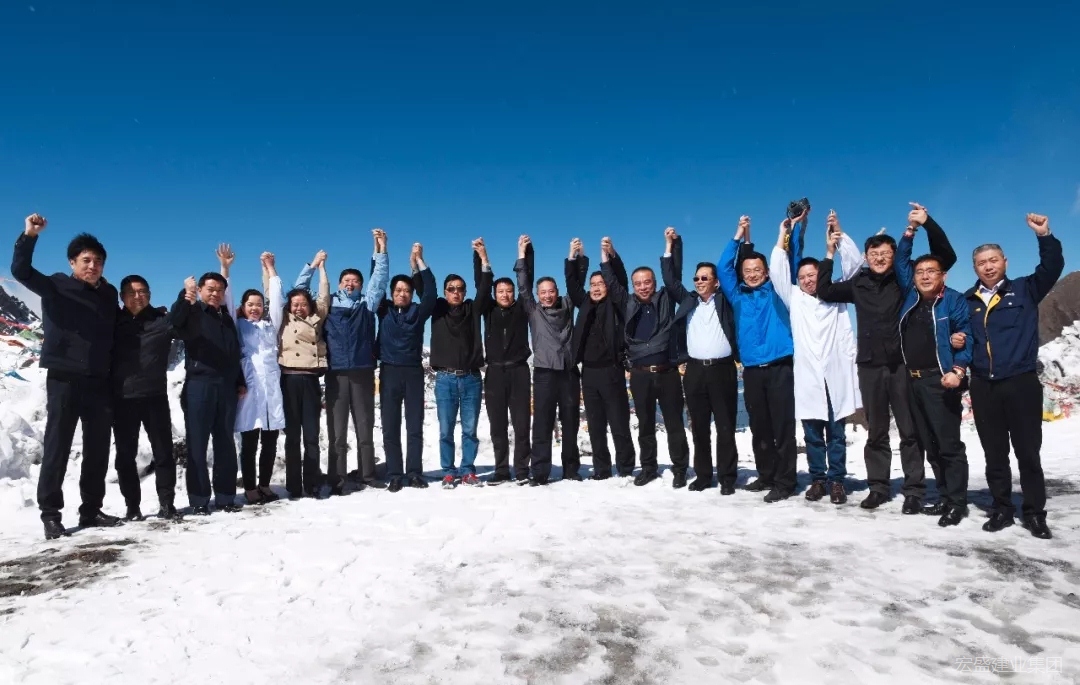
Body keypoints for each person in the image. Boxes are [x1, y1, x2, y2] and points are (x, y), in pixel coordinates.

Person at [816, 202, 957, 514]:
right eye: (873, 254)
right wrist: (829, 253)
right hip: (869, 366)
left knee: (909, 431)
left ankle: (914, 490)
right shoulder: (858, 284)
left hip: (901, 365)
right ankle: (878, 487)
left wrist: (924, 225)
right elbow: (823, 290)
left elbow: (944, 257)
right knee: (876, 431)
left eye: (885, 254)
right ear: (866, 257)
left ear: (894, 256)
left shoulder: (904, 281)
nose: (879, 258)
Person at [12, 214, 122, 539]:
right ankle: (50, 514)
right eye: (86, 260)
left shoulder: (108, 293)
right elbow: (21, 271)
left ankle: (91, 509)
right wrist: (30, 235)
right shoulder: (57, 285)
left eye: (98, 261)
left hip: (99, 380)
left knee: (98, 448)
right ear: (72, 262)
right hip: (64, 378)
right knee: (57, 446)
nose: (92, 266)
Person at [955, 213, 1063, 539]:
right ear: (974, 268)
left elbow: (1052, 267)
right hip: (984, 386)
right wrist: (957, 340)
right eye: (981, 263)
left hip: (1021, 382)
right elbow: (961, 337)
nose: (988, 267)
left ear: (1005, 261)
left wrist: (1045, 236)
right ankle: (1002, 509)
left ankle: (1035, 513)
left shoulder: (1026, 289)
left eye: (993, 260)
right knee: (995, 454)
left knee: (1028, 453)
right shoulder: (967, 301)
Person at [769, 211, 862, 505]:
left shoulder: (836, 294)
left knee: (836, 434)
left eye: (812, 275)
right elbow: (777, 270)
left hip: (835, 376)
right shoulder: (794, 298)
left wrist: (837, 235)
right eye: (803, 277)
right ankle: (818, 480)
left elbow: (855, 265)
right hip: (809, 378)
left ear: (822, 274)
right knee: (811, 435)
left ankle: (837, 481)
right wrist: (783, 235)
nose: (808, 281)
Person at [294, 229, 389, 494]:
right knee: (336, 432)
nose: (351, 284)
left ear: (360, 285)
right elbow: (299, 293)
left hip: (362, 373)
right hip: (335, 373)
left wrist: (381, 250)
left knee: (365, 428)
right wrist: (313, 266)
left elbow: (379, 280)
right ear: (338, 284)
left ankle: (367, 474)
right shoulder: (327, 305)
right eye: (346, 280)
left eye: (355, 281)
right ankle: (337, 478)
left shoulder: (367, 304)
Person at [894, 227, 973, 527]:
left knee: (949, 444)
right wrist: (909, 234)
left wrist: (958, 370)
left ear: (944, 275)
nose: (925, 276)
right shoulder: (910, 297)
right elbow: (901, 261)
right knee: (929, 443)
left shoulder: (953, 300)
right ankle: (944, 495)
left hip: (941, 380)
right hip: (912, 380)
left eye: (931, 271)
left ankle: (957, 503)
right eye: (920, 272)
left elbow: (968, 336)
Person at [717, 215, 796, 502]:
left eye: (757, 270)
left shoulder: (777, 291)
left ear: (766, 272)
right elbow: (723, 268)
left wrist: (786, 233)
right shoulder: (737, 296)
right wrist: (738, 236)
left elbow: (787, 263)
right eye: (747, 270)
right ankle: (766, 475)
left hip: (779, 366)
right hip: (751, 369)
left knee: (782, 427)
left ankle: (785, 482)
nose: (752, 274)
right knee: (759, 426)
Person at [603, 233, 689, 487]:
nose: (643, 287)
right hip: (640, 374)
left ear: (654, 283)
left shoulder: (666, 298)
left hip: (667, 372)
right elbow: (611, 282)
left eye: (647, 282)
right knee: (645, 425)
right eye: (638, 283)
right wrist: (606, 255)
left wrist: (670, 246)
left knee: (674, 424)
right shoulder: (627, 303)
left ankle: (680, 469)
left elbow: (674, 274)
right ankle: (649, 468)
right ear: (633, 286)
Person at [662, 228, 739, 494]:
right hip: (695, 371)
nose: (699, 281)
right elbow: (670, 280)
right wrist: (670, 246)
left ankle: (727, 477)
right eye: (696, 278)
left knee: (726, 426)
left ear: (716, 282)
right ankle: (704, 475)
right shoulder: (688, 301)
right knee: (699, 427)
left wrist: (741, 236)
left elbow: (732, 271)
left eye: (705, 277)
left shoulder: (726, 301)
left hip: (723, 370)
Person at [171, 244, 246, 515]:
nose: (215, 294)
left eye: (219, 290)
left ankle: (226, 496)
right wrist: (185, 295)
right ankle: (199, 499)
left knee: (225, 442)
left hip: (225, 388)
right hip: (199, 386)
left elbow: (233, 353)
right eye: (210, 289)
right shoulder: (192, 313)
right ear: (201, 290)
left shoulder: (226, 319)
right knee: (197, 443)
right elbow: (174, 323)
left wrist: (239, 381)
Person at [112, 274, 190, 522]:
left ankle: (167, 504)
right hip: (122, 398)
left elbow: (178, 317)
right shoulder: (113, 322)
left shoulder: (160, 320)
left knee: (164, 452)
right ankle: (132, 507)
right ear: (122, 296)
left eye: (143, 291)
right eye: (132, 292)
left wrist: (185, 293)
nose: (138, 296)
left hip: (154, 396)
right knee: (125, 456)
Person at [567, 239, 636, 480]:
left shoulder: (617, 303)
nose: (596, 288)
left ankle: (626, 468)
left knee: (618, 422)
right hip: (589, 373)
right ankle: (602, 469)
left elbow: (620, 279)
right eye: (593, 284)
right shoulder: (585, 303)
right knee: (596, 425)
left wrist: (610, 255)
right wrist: (573, 256)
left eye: (601, 283)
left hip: (612, 370)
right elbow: (572, 284)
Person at [516, 236, 582, 483]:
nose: (547, 295)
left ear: (557, 292)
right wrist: (521, 254)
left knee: (570, 422)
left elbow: (576, 283)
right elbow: (523, 286)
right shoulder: (533, 310)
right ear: (538, 294)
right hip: (544, 373)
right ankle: (540, 472)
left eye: (551, 291)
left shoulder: (568, 305)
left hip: (568, 372)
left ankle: (571, 469)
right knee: (542, 424)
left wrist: (572, 256)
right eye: (542, 292)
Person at [430, 239, 492, 488]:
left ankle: (467, 470)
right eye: (451, 289)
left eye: (460, 289)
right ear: (445, 292)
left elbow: (485, 288)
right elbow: (425, 289)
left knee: (469, 430)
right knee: (445, 430)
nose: (456, 292)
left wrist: (483, 258)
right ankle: (448, 471)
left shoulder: (472, 309)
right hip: (444, 379)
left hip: (471, 378)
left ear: (464, 292)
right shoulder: (437, 309)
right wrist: (416, 263)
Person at [378, 242, 436, 492]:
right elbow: (376, 282)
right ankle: (395, 474)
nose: (402, 294)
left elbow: (431, 293)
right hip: (389, 371)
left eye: (407, 291)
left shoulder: (418, 312)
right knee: (390, 426)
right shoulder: (383, 310)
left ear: (411, 294)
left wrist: (419, 262)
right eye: (398, 290)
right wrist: (380, 250)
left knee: (414, 426)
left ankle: (413, 473)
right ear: (392, 293)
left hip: (413, 372)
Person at [229, 252, 285, 504]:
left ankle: (265, 485)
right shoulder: (237, 325)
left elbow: (277, 299)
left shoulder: (271, 325)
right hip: (250, 390)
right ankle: (250, 487)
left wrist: (271, 269)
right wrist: (226, 270)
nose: (255, 308)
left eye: (259, 304)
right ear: (243, 306)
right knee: (249, 443)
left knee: (270, 442)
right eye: (250, 304)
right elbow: (227, 299)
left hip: (271, 389)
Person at [477, 240, 533, 485]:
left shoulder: (522, 309)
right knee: (497, 425)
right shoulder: (487, 310)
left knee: (522, 424)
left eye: (508, 291)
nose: (505, 294)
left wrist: (524, 253)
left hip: (519, 371)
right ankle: (501, 470)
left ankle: (521, 469)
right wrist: (482, 257)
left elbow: (527, 281)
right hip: (494, 373)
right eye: (500, 291)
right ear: (494, 294)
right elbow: (481, 283)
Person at [278, 251, 332, 498]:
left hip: (310, 379)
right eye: (295, 304)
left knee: (311, 435)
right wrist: (311, 264)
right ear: (289, 306)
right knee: (292, 436)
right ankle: (293, 485)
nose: (299, 307)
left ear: (309, 306)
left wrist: (321, 269)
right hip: (288, 379)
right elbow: (274, 292)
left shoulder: (317, 317)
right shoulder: (283, 318)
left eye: (303, 304)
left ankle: (311, 482)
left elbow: (324, 294)